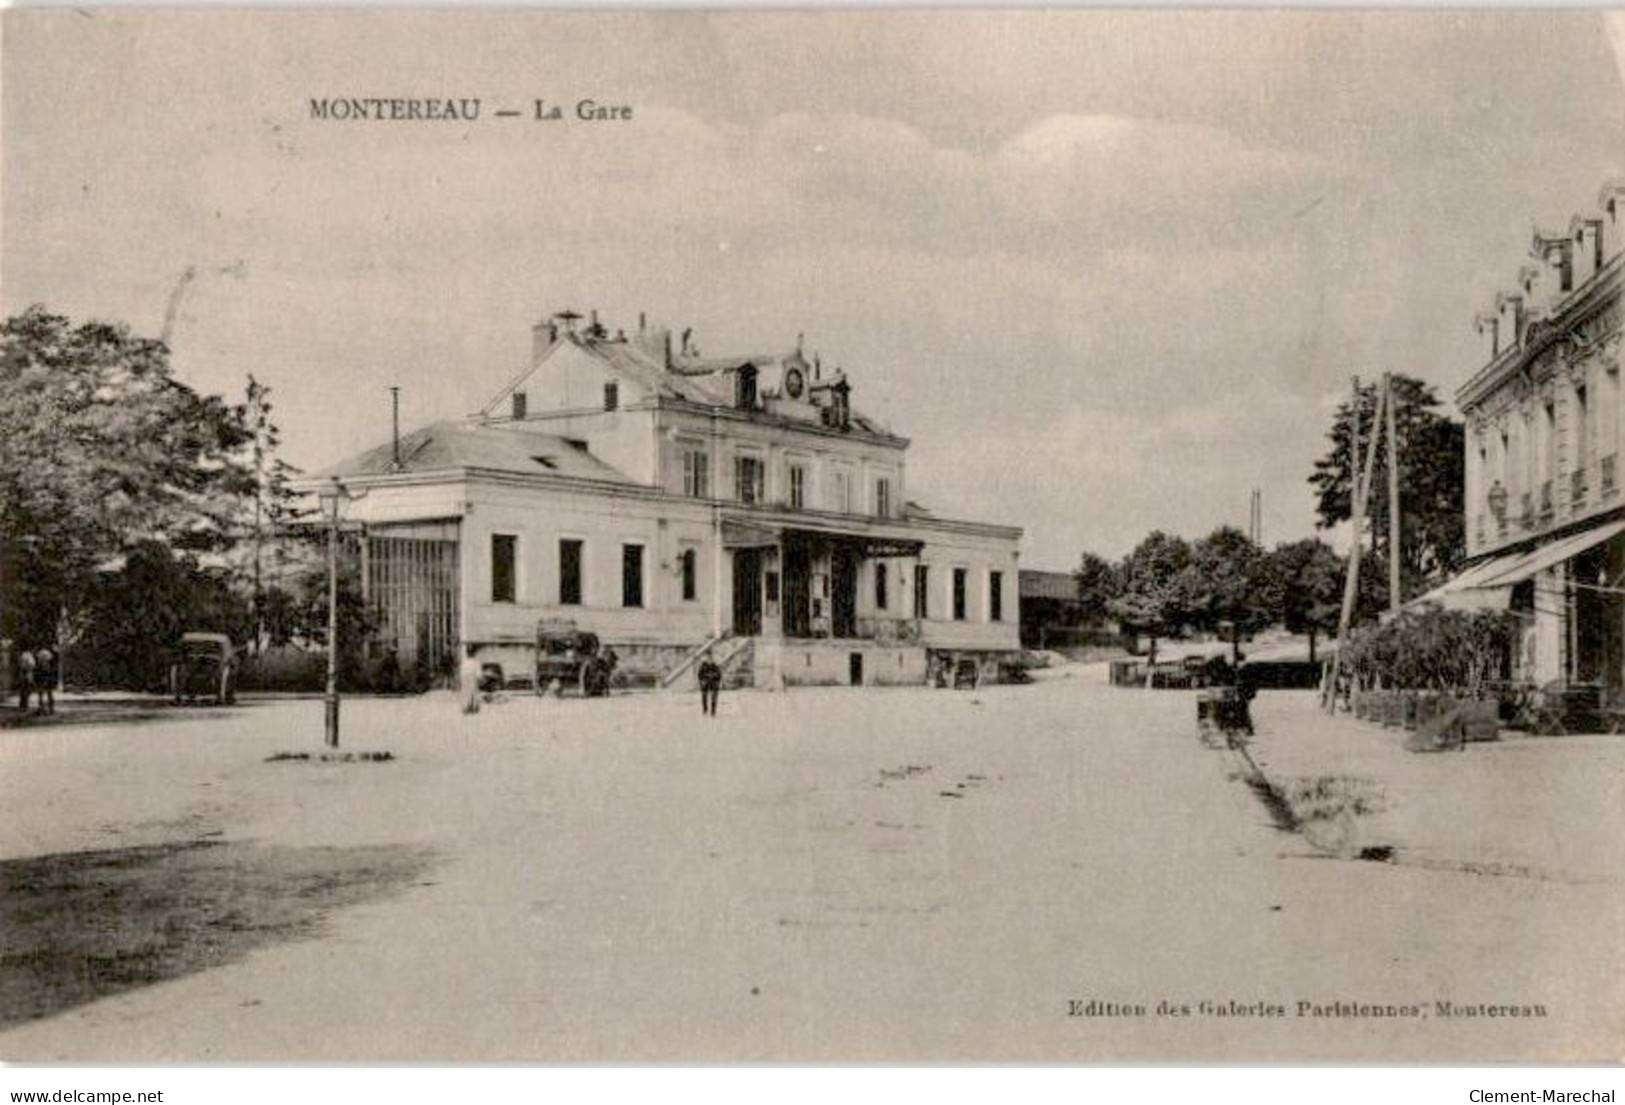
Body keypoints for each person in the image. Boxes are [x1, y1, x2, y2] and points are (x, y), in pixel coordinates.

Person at [697, 649, 722, 717]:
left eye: (710, 656)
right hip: (706, 681)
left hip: (713, 681)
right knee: (704, 695)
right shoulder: (703, 664)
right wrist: (703, 680)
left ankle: (713, 711)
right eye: (708, 656)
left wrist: (713, 676)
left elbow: (719, 674)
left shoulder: (715, 664)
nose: (709, 658)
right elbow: (700, 674)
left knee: (714, 696)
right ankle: (705, 709)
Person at [459, 645, 482, 715]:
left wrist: (462, 679)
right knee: (473, 692)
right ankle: (473, 707)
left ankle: (466, 707)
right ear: (473, 654)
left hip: (465, 677)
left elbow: (462, 671)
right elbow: (478, 672)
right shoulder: (476, 662)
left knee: (466, 692)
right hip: (472, 677)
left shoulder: (464, 662)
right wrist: (479, 679)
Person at [33, 647, 56, 716]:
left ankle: (42, 709)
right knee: (49, 694)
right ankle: (50, 709)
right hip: (47, 678)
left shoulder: (39, 655)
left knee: (41, 694)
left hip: (42, 678)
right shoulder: (49, 663)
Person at [16, 646, 35, 714]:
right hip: (27, 674)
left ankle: (22, 705)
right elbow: (32, 665)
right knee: (27, 690)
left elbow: (19, 665)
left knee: (22, 691)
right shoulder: (29, 655)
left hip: (22, 674)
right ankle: (25, 705)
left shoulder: (21, 655)